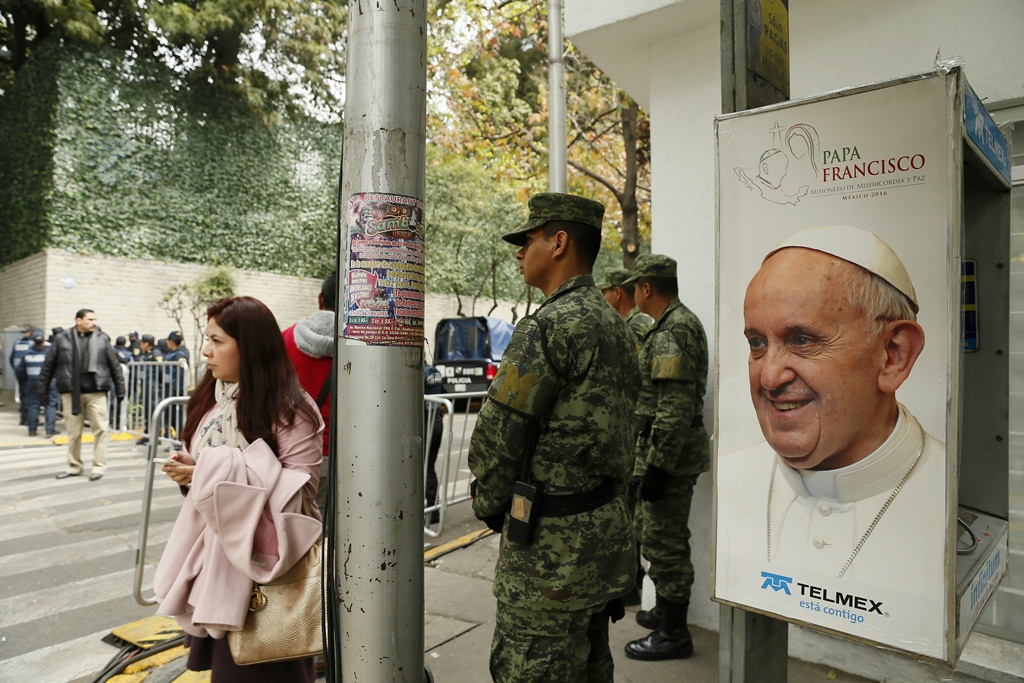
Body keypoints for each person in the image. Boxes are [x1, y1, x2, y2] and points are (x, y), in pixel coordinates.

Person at [468, 192, 641, 682]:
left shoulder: (547, 327)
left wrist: (490, 502)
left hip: (550, 560)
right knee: (590, 668)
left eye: (527, 239)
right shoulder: (618, 325)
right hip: (602, 545)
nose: (520, 252)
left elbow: (496, 442)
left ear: (559, 241)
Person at [717, 225, 943, 587]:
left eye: (802, 340)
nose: (770, 377)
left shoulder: (953, 490)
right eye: (757, 343)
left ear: (893, 356)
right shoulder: (728, 477)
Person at [154, 296, 324, 682]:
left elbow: (301, 490)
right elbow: (206, 470)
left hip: (265, 565)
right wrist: (193, 474)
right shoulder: (212, 398)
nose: (205, 350)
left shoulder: (291, 409)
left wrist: (213, 473)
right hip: (213, 557)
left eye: (217, 340)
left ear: (249, 346)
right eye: (206, 339)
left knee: (265, 668)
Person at [620, 254, 710, 662]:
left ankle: (674, 634)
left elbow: (674, 407)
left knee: (665, 541)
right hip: (664, 453)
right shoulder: (671, 324)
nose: (633, 294)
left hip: (669, 458)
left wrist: (657, 466)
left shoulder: (673, 330)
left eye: (634, 287)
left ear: (646, 288)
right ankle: (665, 614)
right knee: (654, 533)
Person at [597, 266, 652, 607]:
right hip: (634, 430)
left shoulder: (634, 327)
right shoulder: (638, 324)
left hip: (634, 431)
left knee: (629, 515)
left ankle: (629, 585)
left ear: (617, 292)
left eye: (604, 291)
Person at [38, 309, 125, 480]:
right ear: (78, 320)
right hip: (71, 392)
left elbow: (114, 365)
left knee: (100, 430)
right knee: (73, 432)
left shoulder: (102, 339)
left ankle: (99, 467)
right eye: (90, 319)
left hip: (96, 392)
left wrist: (120, 389)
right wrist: (43, 390)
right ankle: (74, 466)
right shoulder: (62, 339)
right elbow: (48, 365)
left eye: (95, 319)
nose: (94, 322)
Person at [283, 271, 337, 511]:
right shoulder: (362, 348)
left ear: (320, 299)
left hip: (287, 454)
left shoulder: (283, 339)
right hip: (338, 455)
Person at [598, 267, 653, 353]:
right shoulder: (632, 322)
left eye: (604, 293)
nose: (602, 298)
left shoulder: (635, 327)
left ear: (617, 292)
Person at [16, 332, 55, 437]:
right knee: (50, 405)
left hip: (32, 381)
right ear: (44, 341)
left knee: (33, 405)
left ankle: (32, 430)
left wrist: (24, 382)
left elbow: (20, 370)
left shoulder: (27, 354)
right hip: (48, 382)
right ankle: (49, 430)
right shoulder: (49, 354)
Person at [424, 363, 444, 525]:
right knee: (428, 465)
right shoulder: (433, 372)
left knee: (426, 467)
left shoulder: (418, 374)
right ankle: (432, 505)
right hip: (436, 420)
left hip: (426, 423)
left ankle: (433, 509)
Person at [9, 326, 34, 426]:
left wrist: (16, 369)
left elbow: (11, 358)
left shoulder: (18, 343)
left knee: (23, 394)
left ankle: (23, 418)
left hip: (19, 372)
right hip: (29, 372)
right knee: (30, 396)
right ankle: (28, 419)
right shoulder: (32, 343)